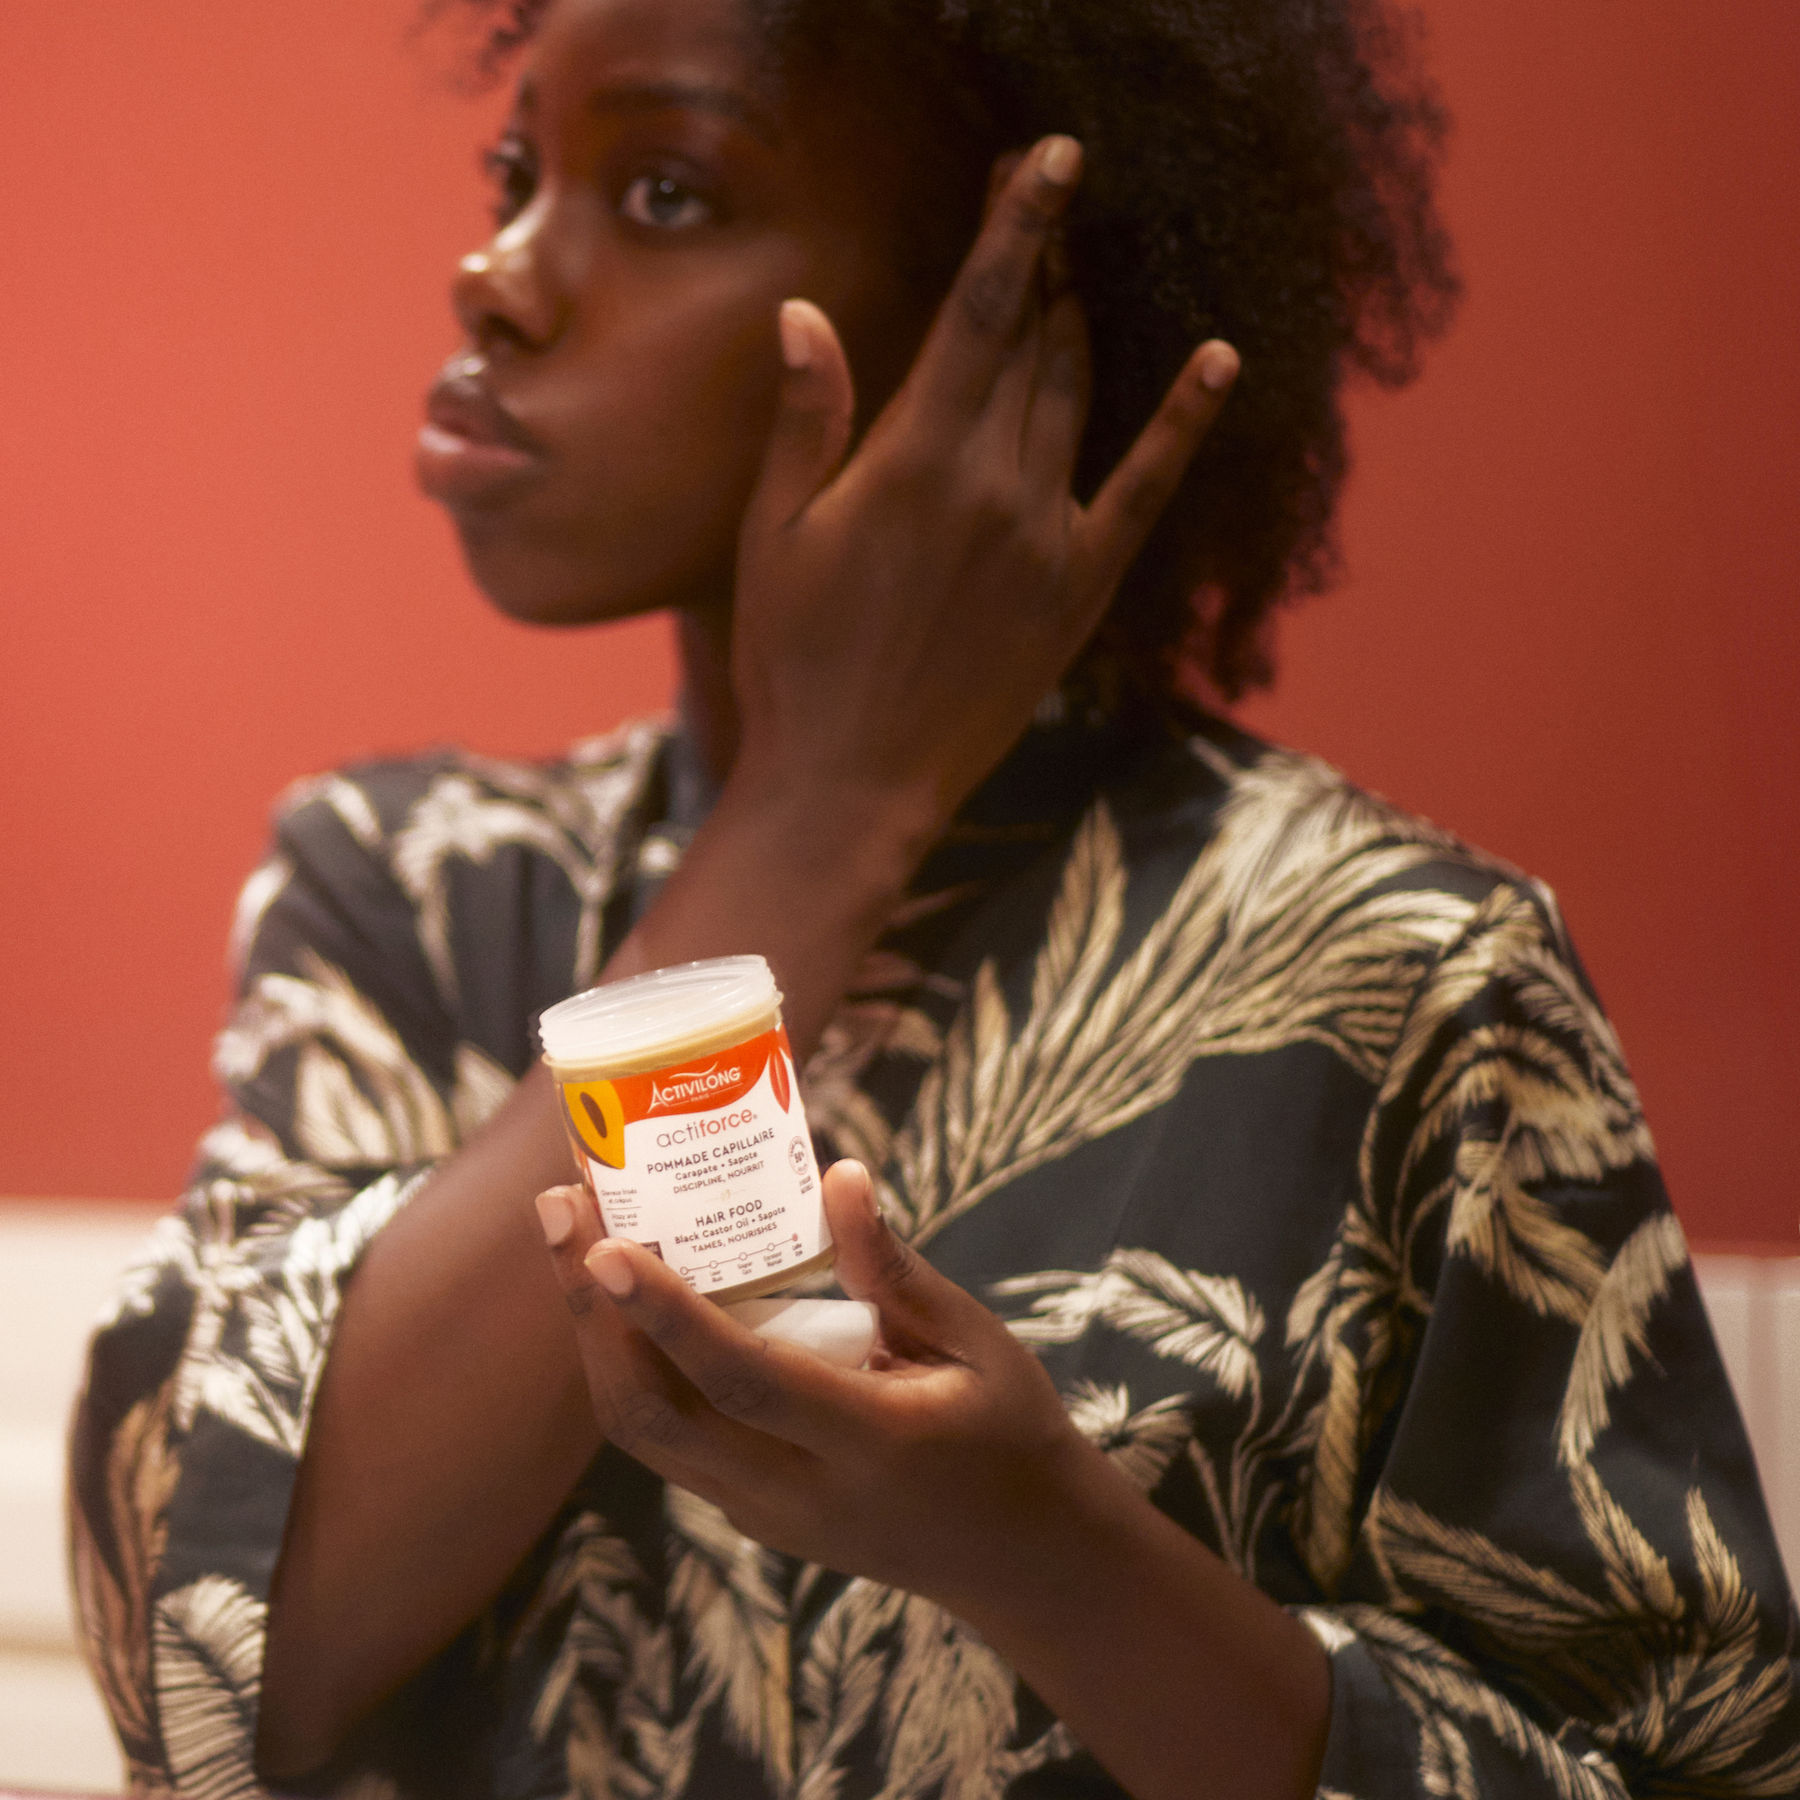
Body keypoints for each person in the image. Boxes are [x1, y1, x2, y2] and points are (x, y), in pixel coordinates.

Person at [68, 0, 1800, 1795]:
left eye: (663, 191)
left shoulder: (1403, 978)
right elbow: (206, 1662)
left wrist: (1053, 1556)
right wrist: (824, 818)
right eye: (520, 173)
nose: (495, 275)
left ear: (1021, 305)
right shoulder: (420, 904)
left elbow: (1676, 1767)